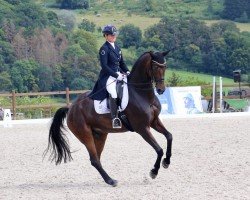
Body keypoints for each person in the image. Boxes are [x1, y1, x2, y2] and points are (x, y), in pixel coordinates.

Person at [89, 25, 130, 128]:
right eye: (111, 35)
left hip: (119, 74)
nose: (114, 36)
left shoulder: (117, 47)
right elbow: (104, 66)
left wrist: (128, 72)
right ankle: (115, 118)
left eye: (114, 34)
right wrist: (116, 75)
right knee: (113, 92)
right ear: (106, 36)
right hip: (108, 76)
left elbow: (122, 63)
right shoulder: (104, 49)